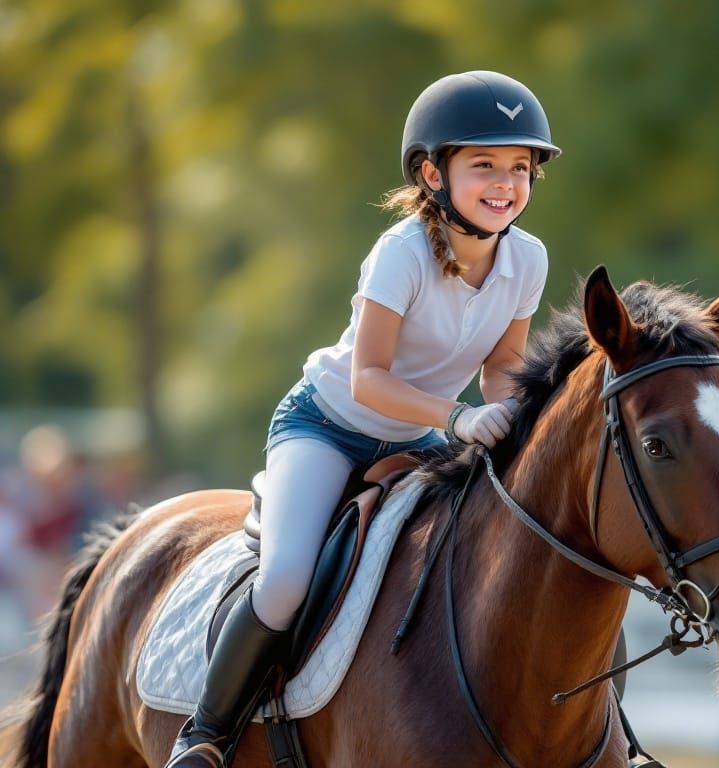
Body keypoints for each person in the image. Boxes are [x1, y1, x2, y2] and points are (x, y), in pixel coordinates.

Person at [167, 71, 560, 767]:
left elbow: (503, 362)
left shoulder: (527, 259)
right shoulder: (402, 252)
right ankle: (205, 734)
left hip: (421, 436)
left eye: (520, 168)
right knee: (285, 581)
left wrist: (506, 411)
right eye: (484, 165)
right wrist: (460, 419)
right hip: (328, 426)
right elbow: (368, 378)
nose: (506, 183)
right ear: (433, 174)